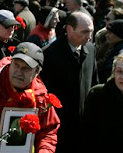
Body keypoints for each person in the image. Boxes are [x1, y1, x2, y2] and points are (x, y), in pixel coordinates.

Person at [40, 11, 98, 153]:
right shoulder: (49, 54)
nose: (89, 37)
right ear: (69, 29)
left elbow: (94, 82)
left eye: (91, 32)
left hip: (83, 126)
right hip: (60, 126)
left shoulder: (90, 49)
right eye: (84, 32)